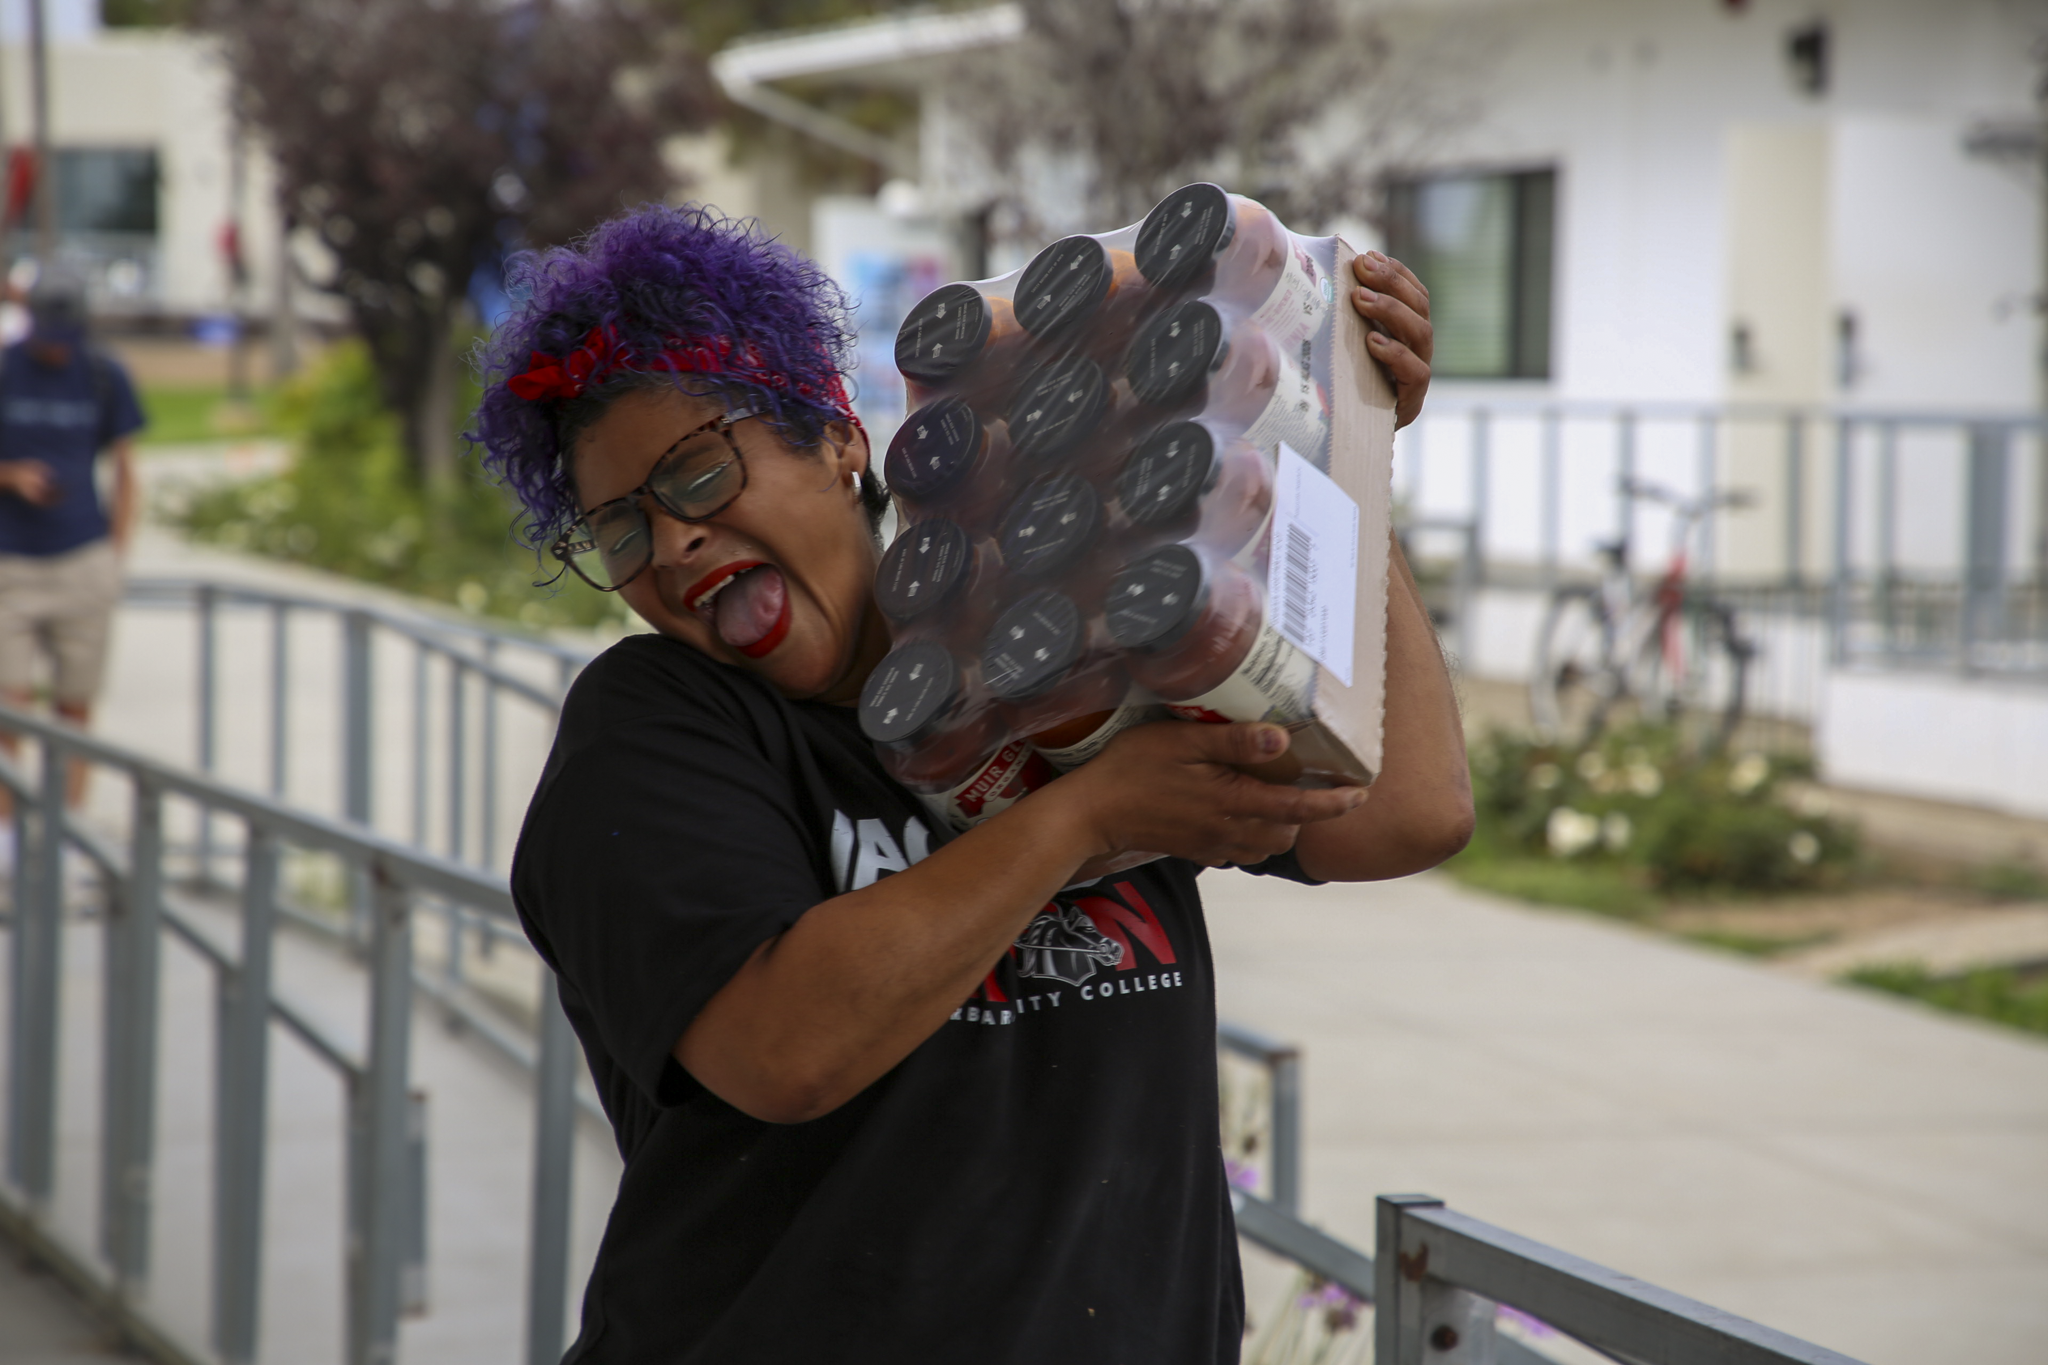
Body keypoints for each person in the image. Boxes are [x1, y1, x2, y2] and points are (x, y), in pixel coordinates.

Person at [475, 204, 1470, 1364]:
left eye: (696, 473)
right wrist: (1087, 815)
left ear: (839, 439)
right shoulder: (658, 729)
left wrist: (1335, 439)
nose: (675, 543)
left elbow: (1404, 811)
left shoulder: (1051, 645)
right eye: (621, 531)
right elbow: (784, 1046)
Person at [0, 279, 145, 810]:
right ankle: (6, 835)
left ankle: (68, 830)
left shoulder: (104, 375)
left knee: (76, 707)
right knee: (9, 702)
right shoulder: (6, 369)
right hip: (10, 557)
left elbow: (127, 467)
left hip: (82, 553)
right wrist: (13, 477)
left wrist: (115, 554)